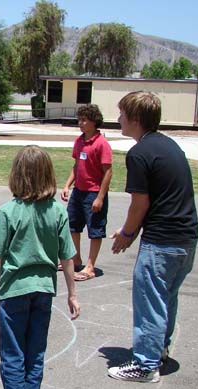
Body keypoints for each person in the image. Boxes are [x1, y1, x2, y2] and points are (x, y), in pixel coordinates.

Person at [0, 145, 80, 389]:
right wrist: (72, 294)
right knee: (35, 351)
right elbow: (67, 257)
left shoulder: (8, 212)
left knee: (13, 353)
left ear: (17, 176)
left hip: (14, 292)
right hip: (43, 291)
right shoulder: (57, 211)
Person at [109, 91, 198, 383]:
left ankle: (145, 364)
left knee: (150, 301)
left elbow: (140, 204)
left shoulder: (139, 153)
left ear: (135, 119)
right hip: (186, 238)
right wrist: (132, 231)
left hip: (162, 241)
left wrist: (127, 234)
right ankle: (158, 350)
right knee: (165, 299)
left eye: (122, 114)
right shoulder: (169, 145)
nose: (118, 119)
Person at [60, 104, 113, 281]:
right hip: (78, 191)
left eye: (84, 120)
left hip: (94, 193)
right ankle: (76, 259)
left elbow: (108, 172)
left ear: (94, 121)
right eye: (79, 120)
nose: (80, 123)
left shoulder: (101, 143)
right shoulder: (79, 141)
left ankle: (90, 267)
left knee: (95, 229)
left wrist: (100, 197)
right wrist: (67, 185)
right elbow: (77, 166)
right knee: (73, 225)